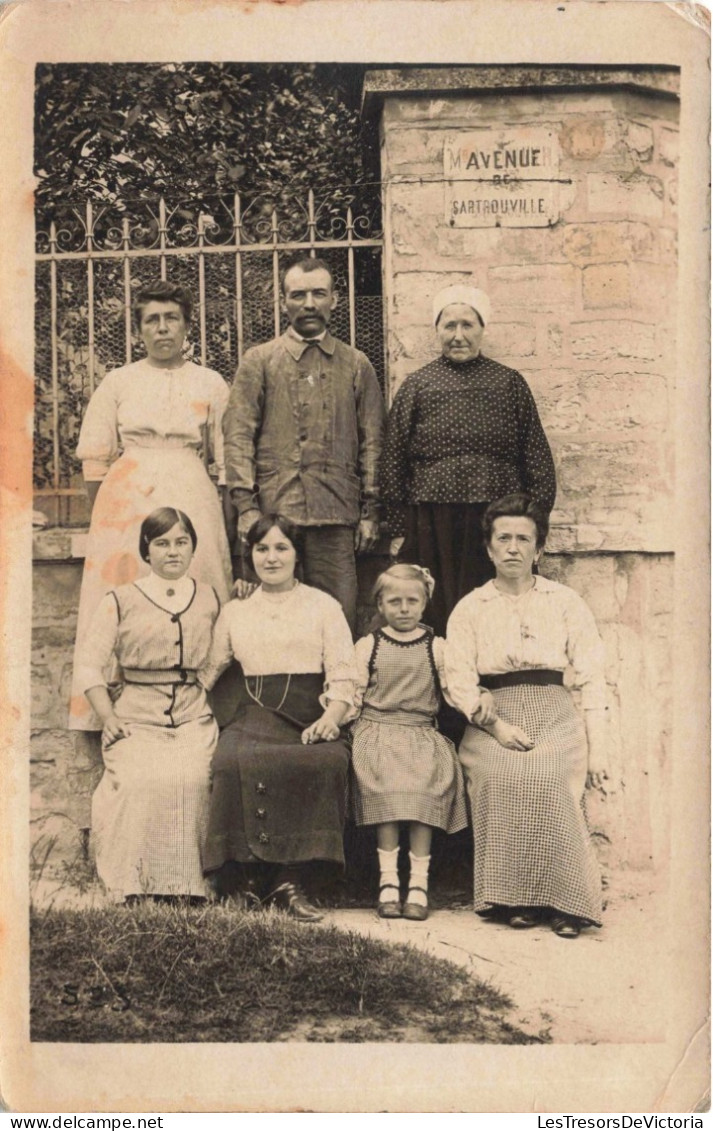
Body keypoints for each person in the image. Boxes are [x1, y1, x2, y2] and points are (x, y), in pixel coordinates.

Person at [69, 279, 232, 735]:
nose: (163, 329)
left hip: (190, 486)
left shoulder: (210, 382)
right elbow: (95, 456)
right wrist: (106, 520)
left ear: (186, 325)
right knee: (126, 585)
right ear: (139, 329)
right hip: (128, 496)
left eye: (172, 319)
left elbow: (227, 456)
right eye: (152, 320)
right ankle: (115, 704)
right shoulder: (119, 381)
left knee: (199, 576)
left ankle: (204, 698)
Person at [444, 493, 608, 938]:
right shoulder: (470, 608)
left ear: (539, 549)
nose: (513, 547)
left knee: (550, 774)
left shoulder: (565, 602)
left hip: (555, 714)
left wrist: (599, 751)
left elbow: (593, 675)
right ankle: (514, 897)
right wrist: (495, 726)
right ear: (489, 547)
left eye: (523, 539)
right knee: (500, 774)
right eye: (503, 538)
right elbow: (456, 679)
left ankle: (567, 902)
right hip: (493, 717)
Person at [199, 514, 356, 922]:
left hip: (310, 713)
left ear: (297, 554)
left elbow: (344, 672)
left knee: (327, 760)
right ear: (250, 555)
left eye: (281, 548)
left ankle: (291, 880)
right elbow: (208, 671)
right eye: (262, 548)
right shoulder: (236, 611)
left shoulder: (323, 605)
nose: (271, 558)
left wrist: (332, 717)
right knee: (229, 761)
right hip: (257, 713)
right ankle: (246, 880)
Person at [222, 256, 386, 634]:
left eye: (318, 294)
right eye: (298, 295)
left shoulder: (356, 365)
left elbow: (374, 443)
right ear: (283, 302)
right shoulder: (259, 362)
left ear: (335, 300)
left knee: (338, 622)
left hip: (336, 518)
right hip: (276, 520)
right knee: (275, 624)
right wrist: (246, 508)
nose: (309, 304)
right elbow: (237, 438)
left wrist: (371, 511)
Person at [381, 283, 556, 637]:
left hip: (495, 519)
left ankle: (497, 682)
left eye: (467, 325)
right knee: (437, 606)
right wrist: (398, 528)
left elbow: (536, 456)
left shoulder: (509, 384)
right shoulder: (417, 386)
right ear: (437, 330)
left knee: (497, 603)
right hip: (433, 520)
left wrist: (533, 526)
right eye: (449, 326)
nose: (458, 335)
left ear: (482, 329)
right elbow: (393, 459)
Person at [75, 508, 222, 901]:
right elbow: (88, 665)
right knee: (141, 780)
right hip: (135, 717)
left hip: (193, 717)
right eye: (161, 543)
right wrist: (108, 718)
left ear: (193, 548)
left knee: (193, 778)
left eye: (181, 542)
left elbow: (225, 650)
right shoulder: (120, 600)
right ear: (146, 550)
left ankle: (191, 886)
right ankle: (134, 884)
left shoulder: (209, 597)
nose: (172, 552)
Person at [349, 564, 468, 922]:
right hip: (377, 732)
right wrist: (332, 720)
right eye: (394, 601)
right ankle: (388, 881)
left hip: (420, 734)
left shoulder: (438, 648)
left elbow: (457, 692)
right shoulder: (368, 646)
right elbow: (351, 693)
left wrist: (483, 710)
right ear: (380, 606)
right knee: (387, 788)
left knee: (424, 787)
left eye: (412, 601)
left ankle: (418, 882)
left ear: (425, 603)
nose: (403, 608)